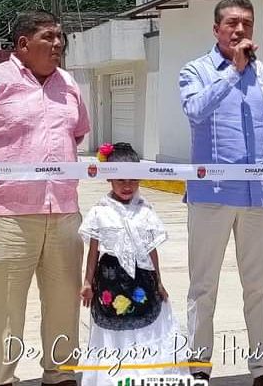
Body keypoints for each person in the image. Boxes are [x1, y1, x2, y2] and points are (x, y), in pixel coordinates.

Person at [0, 10, 90, 386]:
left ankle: (60, 376)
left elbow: (76, 136)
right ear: (23, 44)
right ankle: (0, 379)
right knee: (5, 309)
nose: (58, 44)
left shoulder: (70, 84)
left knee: (63, 305)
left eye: (60, 37)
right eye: (49, 37)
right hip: (9, 215)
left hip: (63, 212)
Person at [179, 0, 263, 386]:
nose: (239, 30)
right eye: (231, 23)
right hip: (211, 194)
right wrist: (231, 73)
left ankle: (262, 368)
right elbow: (194, 111)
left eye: (246, 23)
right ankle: (198, 365)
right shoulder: (196, 70)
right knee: (203, 285)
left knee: (259, 287)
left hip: (257, 196)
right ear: (216, 30)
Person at [79, 142, 185, 386]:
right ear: (109, 180)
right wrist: (87, 282)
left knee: (145, 328)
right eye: (121, 180)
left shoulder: (145, 210)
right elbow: (93, 252)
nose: (127, 186)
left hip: (142, 284)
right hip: (110, 284)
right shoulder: (99, 212)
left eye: (133, 181)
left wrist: (159, 281)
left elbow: (152, 251)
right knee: (115, 331)